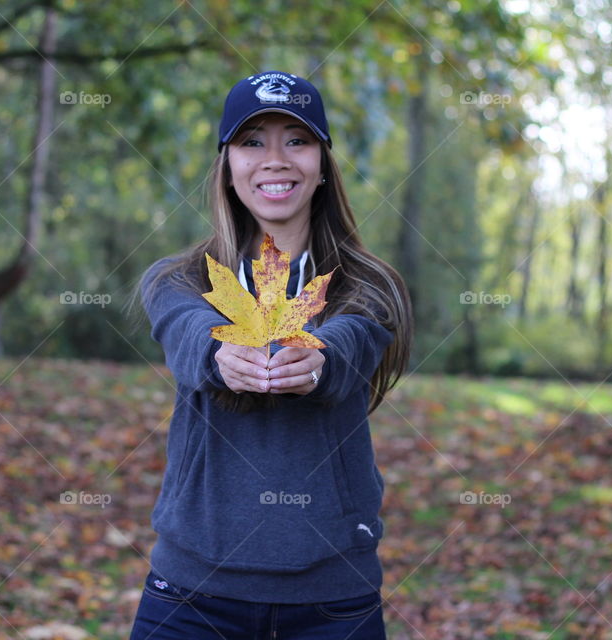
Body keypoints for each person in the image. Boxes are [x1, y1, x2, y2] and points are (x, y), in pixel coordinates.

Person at [128, 70, 413, 639]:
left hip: (332, 599)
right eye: (253, 141)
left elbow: (352, 340)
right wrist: (220, 353)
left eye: (297, 140)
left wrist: (319, 361)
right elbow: (186, 328)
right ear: (228, 166)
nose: (275, 159)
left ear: (323, 165)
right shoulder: (177, 281)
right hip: (190, 593)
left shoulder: (370, 287)